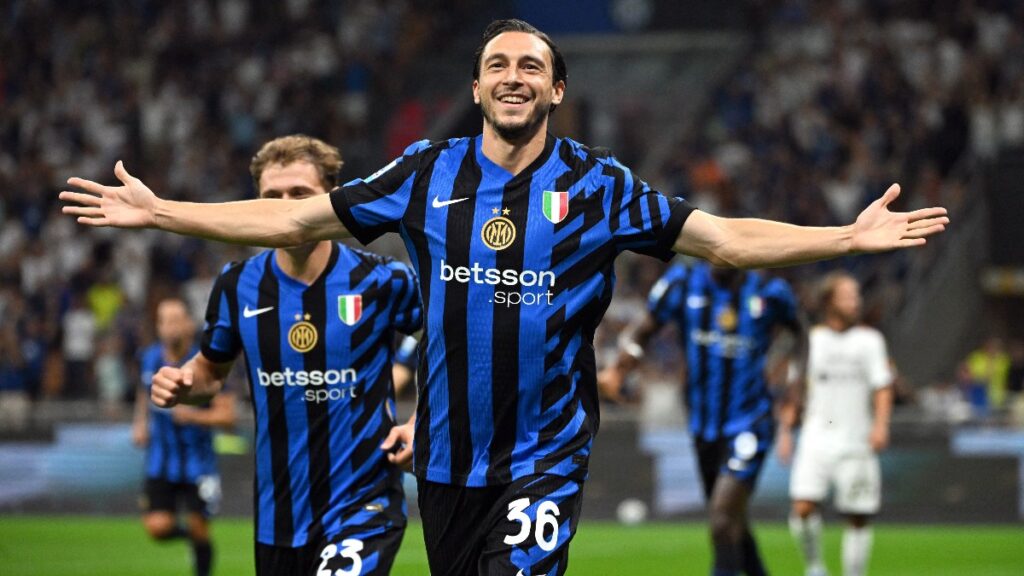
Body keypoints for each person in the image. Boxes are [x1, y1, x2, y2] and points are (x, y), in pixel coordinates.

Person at [62, 18, 948, 576]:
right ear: (479, 88)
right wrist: (162, 212)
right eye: (497, 64)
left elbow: (725, 238)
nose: (514, 74)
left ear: (556, 88)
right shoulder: (424, 174)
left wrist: (843, 237)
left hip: (543, 458)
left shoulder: (601, 187)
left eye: (532, 64)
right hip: (445, 466)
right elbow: (294, 225)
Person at [146, 135, 422, 575]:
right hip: (279, 515)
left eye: (300, 194)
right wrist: (183, 384)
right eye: (272, 196)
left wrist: (421, 419)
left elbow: (454, 338)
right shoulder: (237, 285)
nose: (285, 206)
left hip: (363, 502)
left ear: (331, 197)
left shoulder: (384, 280)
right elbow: (210, 373)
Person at [600, 262, 800, 576]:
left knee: (722, 519)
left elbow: (801, 336)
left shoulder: (769, 292)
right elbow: (645, 328)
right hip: (703, 426)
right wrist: (621, 368)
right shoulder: (682, 284)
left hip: (751, 420)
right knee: (731, 521)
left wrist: (794, 392)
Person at [776, 272, 894, 576]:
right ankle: (815, 567)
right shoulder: (811, 341)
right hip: (816, 438)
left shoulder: (870, 340)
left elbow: (882, 386)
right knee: (802, 507)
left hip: (857, 440)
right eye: (848, 296)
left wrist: (881, 425)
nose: (856, 302)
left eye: (856, 296)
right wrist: (785, 432)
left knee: (857, 516)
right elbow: (795, 391)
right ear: (829, 301)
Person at [132, 296, 237, 576]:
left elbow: (228, 418)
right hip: (160, 461)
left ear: (190, 324)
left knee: (199, 527)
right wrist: (140, 424)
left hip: (198, 463)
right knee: (157, 527)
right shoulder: (149, 357)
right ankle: (191, 541)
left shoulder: (205, 363)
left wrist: (192, 416)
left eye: (176, 319)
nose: (170, 327)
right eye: (164, 321)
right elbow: (144, 394)